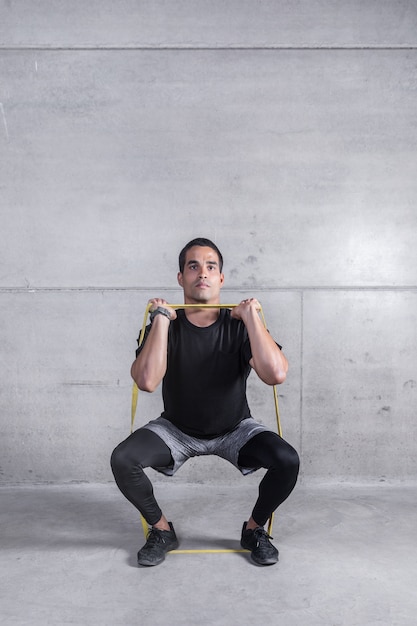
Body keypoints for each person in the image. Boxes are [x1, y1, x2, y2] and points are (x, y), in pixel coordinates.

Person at [111, 237, 299, 567]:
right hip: (176, 430)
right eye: (193, 266)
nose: (202, 273)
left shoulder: (239, 327)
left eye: (211, 266)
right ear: (181, 277)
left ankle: (254, 530)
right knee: (123, 458)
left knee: (287, 460)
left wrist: (252, 317)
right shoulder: (165, 325)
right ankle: (162, 530)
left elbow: (276, 374)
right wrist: (160, 321)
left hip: (235, 429)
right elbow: (147, 381)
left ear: (221, 279)